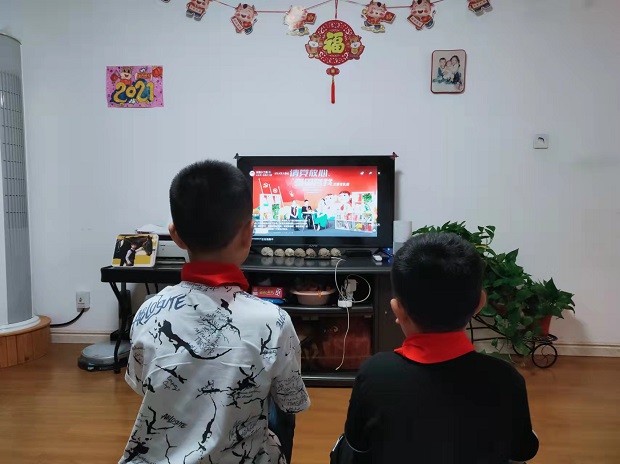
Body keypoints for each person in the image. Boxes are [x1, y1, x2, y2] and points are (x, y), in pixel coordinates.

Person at [121, 160, 310, 464]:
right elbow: (291, 401)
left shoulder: (148, 312)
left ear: (176, 235)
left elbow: (142, 383)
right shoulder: (274, 321)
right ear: (249, 234)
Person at [338, 233, 539, 464]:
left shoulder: (374, 373)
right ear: (480, 303)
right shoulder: (506, 378)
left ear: (397, 310)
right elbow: (522, 452)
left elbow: (358, 444)